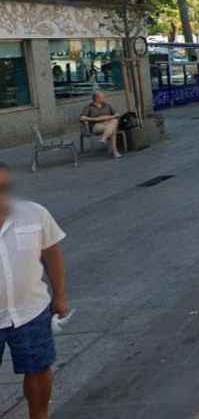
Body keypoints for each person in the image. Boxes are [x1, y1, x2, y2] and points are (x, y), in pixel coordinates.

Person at [0, 162, 70, 419]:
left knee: (39, 371)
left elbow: (52, 254)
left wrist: (60, 295)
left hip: (32, 311)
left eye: (5, 188)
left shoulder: (34, 213)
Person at [79, 92, 122, 159]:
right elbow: (82, 118)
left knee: (114, 122)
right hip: (96, 126)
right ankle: (115, 151)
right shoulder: (89, 107)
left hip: (108, 124)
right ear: (96, 98)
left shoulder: (107, 105)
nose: (104, 98)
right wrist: (96, 119)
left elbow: (117, 114)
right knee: (113, 128)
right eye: (102, 97)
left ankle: (104, 138)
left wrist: (108, 117)